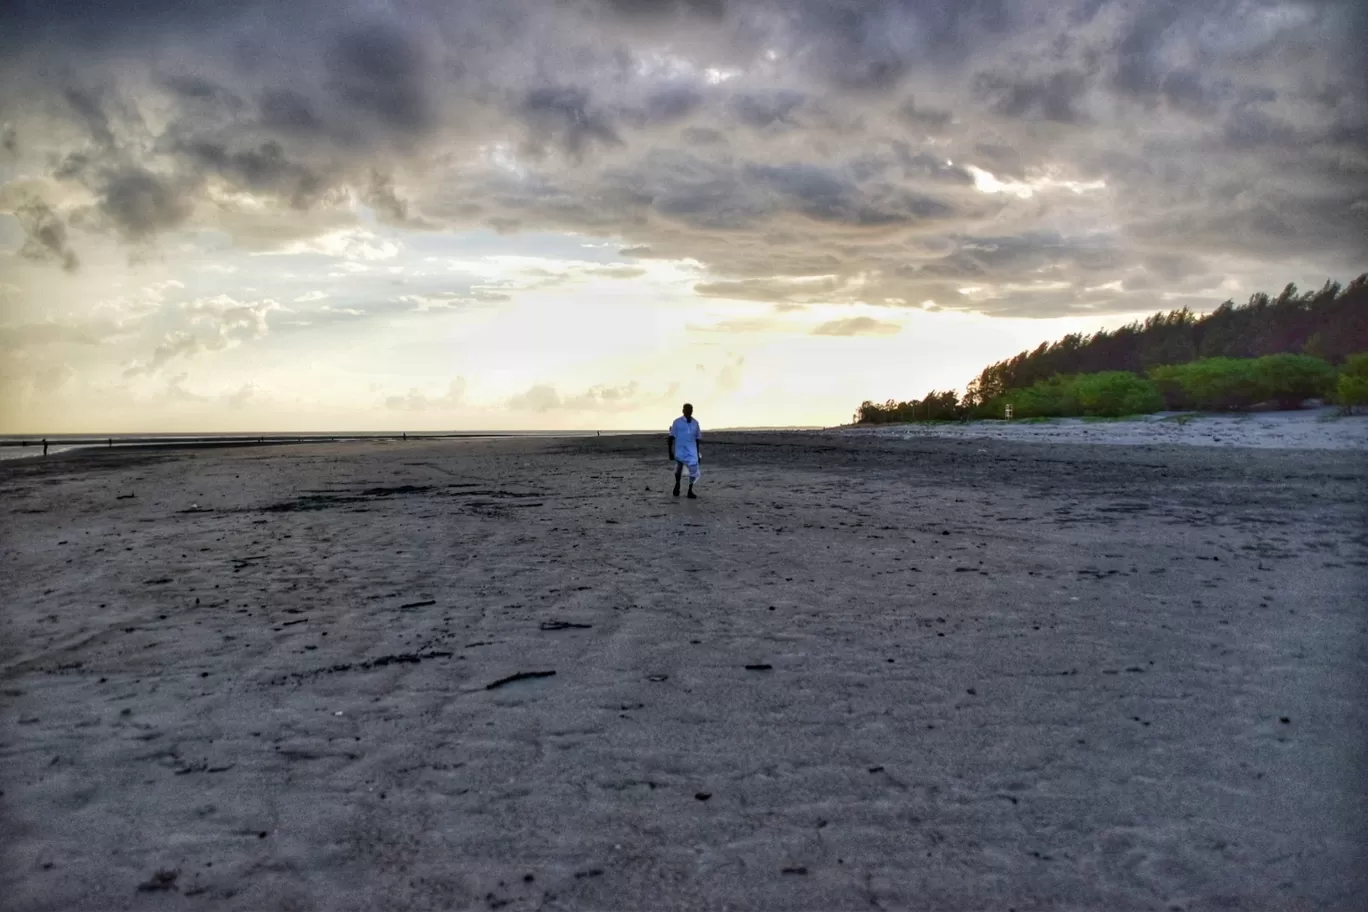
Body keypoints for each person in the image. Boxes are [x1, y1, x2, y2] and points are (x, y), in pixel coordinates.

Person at [668, 403, 702, 499]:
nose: (689, 412)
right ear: (683, 411)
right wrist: (670, 452)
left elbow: (697, 439)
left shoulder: (695, 423)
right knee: (679, 467)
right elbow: (671, 437)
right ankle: (677, 484)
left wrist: (697, 453)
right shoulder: (677, 422)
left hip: (692, 451)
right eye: (687, 410)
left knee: (694, 470)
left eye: (690, 410)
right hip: (680, 450)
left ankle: (690, 490)